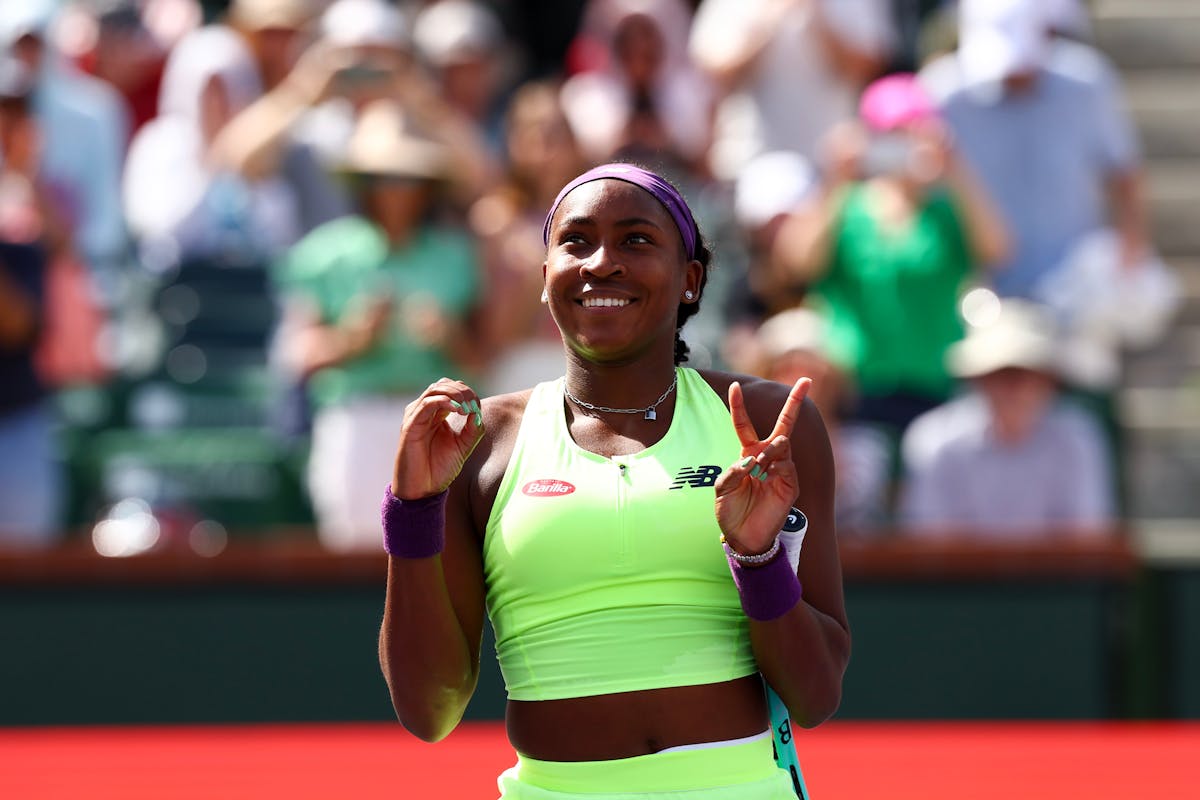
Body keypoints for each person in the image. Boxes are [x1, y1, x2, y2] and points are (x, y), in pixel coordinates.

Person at [378, 163, 850, 797]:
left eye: (635, 240)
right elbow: (428, 711)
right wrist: (412, 513)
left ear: (690, 280)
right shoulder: (479, 440)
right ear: (545, 277)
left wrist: (758, 558)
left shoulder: (769, 422)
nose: (601, 263)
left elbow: (816, 696)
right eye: (576, 241)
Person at [273, 99, 484, 552]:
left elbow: (479, 357)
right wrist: (353, 338)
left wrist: (448, 335)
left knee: (437, 558)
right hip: (356, 419)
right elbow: (298, 354)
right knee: (354, 559)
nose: (395, 191)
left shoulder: (455, 256)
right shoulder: (324, 254)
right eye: (385, 178)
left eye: (407, 178)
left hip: (438, 425)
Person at [773, 72, 1010, 438]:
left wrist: (957, 170)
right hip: (852, 392)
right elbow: (797, 263)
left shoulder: (946, 211)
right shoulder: (845, 206)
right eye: (890, 136)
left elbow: (999, 251)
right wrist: (835, 178)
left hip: (934, 387)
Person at [899, 297, 1117, 538]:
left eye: (1025, 374)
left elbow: (1087, 539)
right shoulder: (935, 441)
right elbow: (929, 542)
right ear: (979, 379)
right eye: (1001, 375)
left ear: (1049, 380)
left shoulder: (1078, 439)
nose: (1014, 388)